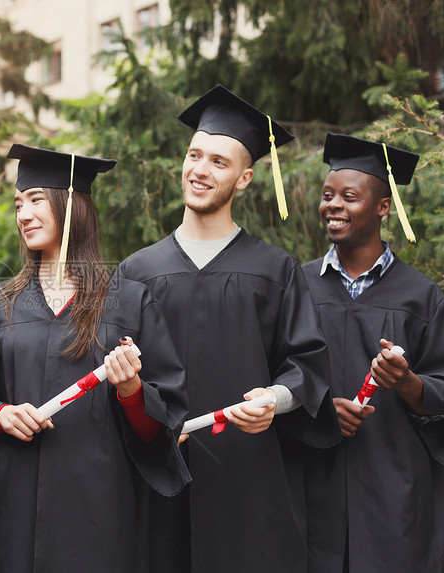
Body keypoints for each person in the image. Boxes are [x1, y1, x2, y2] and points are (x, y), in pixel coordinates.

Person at [115, 85, 339, 572]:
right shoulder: (136, 271)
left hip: (249, 479)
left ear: (245, 178)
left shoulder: (275, 270)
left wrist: (275, 400)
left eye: (219, 161)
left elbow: (306, 364)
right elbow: (115, 374)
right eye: (195, 154)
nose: (199, 169)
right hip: (157, 480)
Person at [0, 143, 190, 573]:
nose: (23, 213)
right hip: (12, 505)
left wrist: (131, 390)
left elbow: (163, 420)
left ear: (73, 207)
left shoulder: (129, 303)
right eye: (18, 204)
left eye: (36, 199)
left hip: (100, 507)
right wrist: (0, 415)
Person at [302, 133, 444, 573]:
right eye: (327, 195)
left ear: (382, 207)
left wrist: (408, 382)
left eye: (349, 196)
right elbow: (275, 375)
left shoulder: (419, 296)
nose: (333, 204)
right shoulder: (297, 287)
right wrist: (320, 410)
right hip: (313, 488)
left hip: (395, 491)